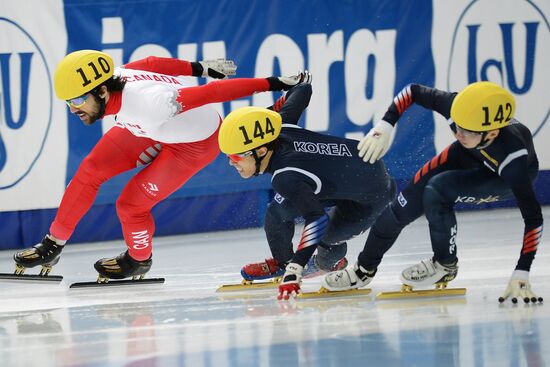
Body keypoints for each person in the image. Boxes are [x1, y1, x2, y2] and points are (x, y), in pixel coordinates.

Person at [13, 49, 308, 281]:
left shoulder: (149, 104)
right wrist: (200, 67)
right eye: (68, 102)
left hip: (192, 144)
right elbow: (151, 63)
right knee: (89, 171)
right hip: (149, 127)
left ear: (102, 92)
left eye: (77, 100)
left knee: (130, 205)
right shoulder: (115, 78)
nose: (73, 109)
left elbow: (213, 93)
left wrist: (276, 83)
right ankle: (53, 245)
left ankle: (139, 259)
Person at [323, 81, 543, 304]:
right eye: (457, 125)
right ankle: (363, 269)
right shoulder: (458, 108)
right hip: (469, 154)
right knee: (399, 209)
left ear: (492, 134)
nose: (458, 133)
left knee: (438, 189)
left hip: (498, 178)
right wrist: (385, 125)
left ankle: (445, 264)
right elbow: (412, 91)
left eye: (466, 130)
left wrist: (522, 271)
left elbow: (534, 219)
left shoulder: (513, 157)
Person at [218, 77, 396, 300]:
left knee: (327, 238)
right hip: (338, 176)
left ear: (261, 151)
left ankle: (331, 262)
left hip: (370, 195)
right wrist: (273, 108)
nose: (231, 163)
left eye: (236, 157)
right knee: (276, 212)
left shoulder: (285, 177)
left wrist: (297, 267)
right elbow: (302, 89)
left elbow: (316, 219)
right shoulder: (280, 125)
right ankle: (282, 262)